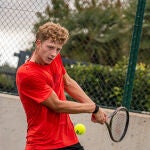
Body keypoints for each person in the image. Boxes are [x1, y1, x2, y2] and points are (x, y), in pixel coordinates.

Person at [16, 22, 107, 150]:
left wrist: (97, 110)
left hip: (69, 140)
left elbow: (68, 83)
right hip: (43, 145)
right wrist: (93, 108)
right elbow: (57, 105)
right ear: (38, 43)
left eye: (58, 49)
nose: (53, 53)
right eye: (50, 47)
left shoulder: (53, 59)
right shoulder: (27, 74)